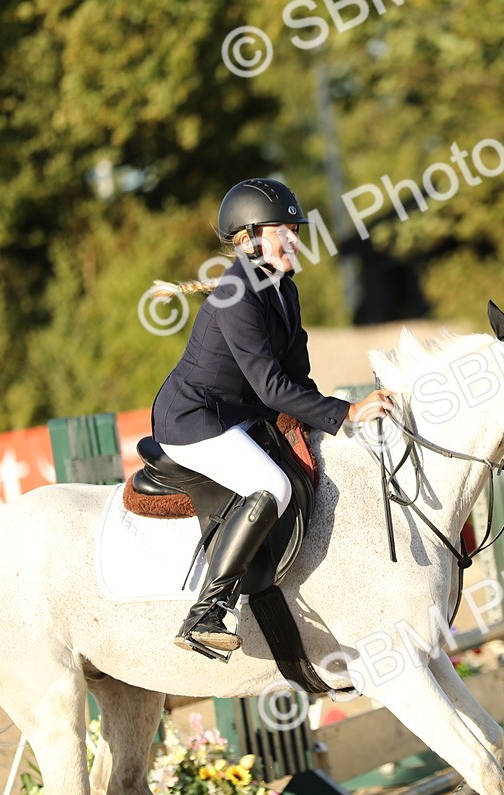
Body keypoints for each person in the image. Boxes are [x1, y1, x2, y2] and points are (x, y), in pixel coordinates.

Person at [150, 177, 393, 655]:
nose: (296, 241)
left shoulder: (284, 288)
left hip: (239, 414)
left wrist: (344, 416)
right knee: (273, 486)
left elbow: (297, 378)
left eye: (296, 231)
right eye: (286, 231)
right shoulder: (237, 293)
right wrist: (349, 412)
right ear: (250, 237)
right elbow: (272, 387)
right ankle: (207, 612)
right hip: (195, 421)